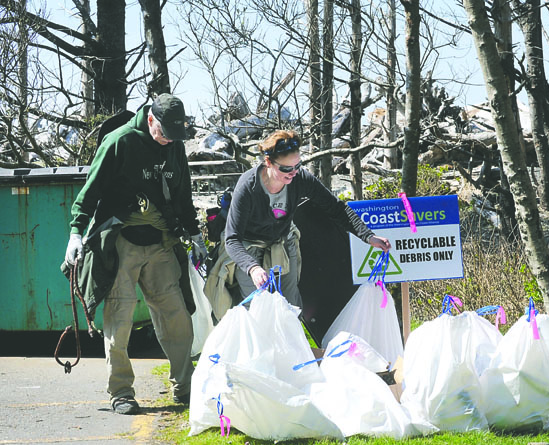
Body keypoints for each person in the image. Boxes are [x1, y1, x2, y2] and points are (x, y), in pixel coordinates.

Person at [63, 94, 207, 415]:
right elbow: (91, 191)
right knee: (119, 320)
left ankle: (186, 386)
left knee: (177, 317)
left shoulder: (174, 144)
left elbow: (183, 195)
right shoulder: (119, 142)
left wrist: (195, 234)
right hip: (122, 242)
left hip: (161, 241)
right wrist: (76, 232)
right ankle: (121, 392)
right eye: (164, 132)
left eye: (175, 135)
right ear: (151, 119)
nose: (169, 139)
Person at [225, 130, 390, 307]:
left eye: (297, 165)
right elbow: (232, 239)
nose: (293, 172)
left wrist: (368, 236)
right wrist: (253, 268)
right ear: (268, 162)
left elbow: (336, 208)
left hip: (282, 242)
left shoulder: (300, 179)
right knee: (257, 307)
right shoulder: (248, 186)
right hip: (249, 248)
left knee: (290, 306)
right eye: (286, 168)